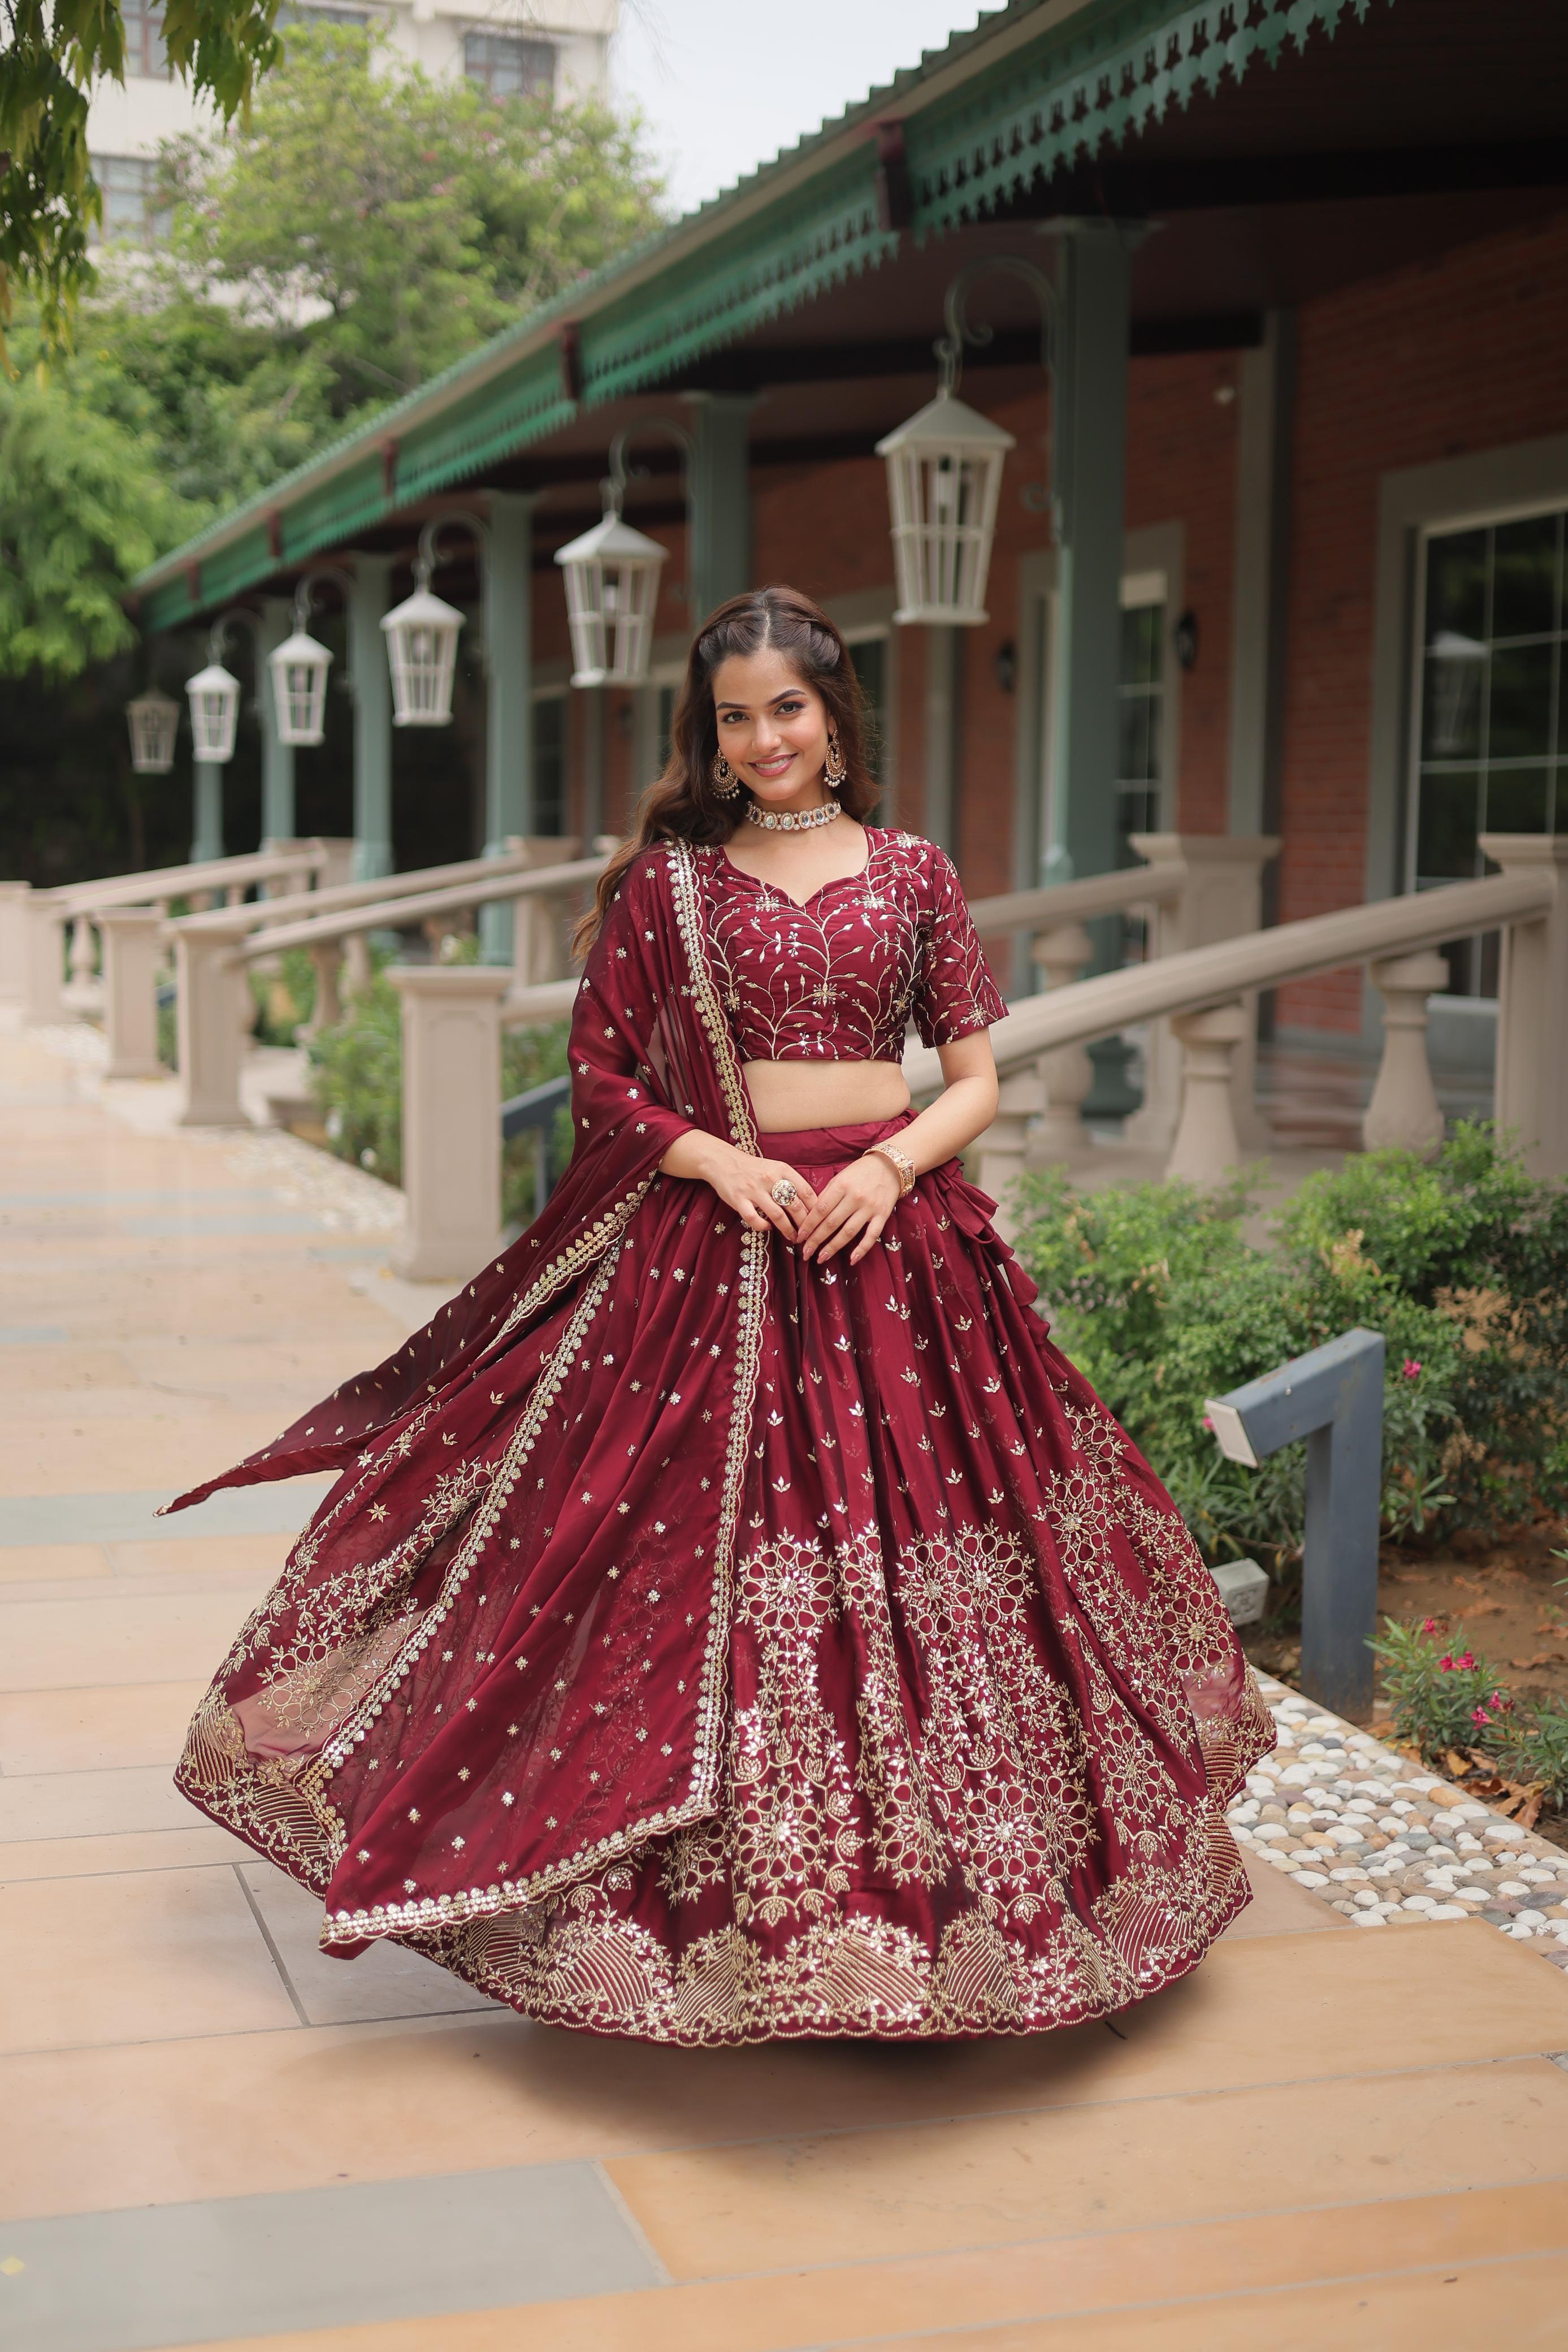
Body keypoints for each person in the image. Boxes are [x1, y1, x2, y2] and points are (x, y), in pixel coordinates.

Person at [170, 585, 1272, 2044]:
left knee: (947, 1571)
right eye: (735, 716)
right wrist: (726, 1161)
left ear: (836, 713)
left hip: (898, 1242)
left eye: (790, 710)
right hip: (722, 1247)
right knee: (693, 1570)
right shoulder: (670, 889)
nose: (765, 739)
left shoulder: (917, 872)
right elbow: (608, 1080)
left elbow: (977, 1080)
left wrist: (888, 1167)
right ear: (711, 731)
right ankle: (742, 1932)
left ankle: (968, 1931)